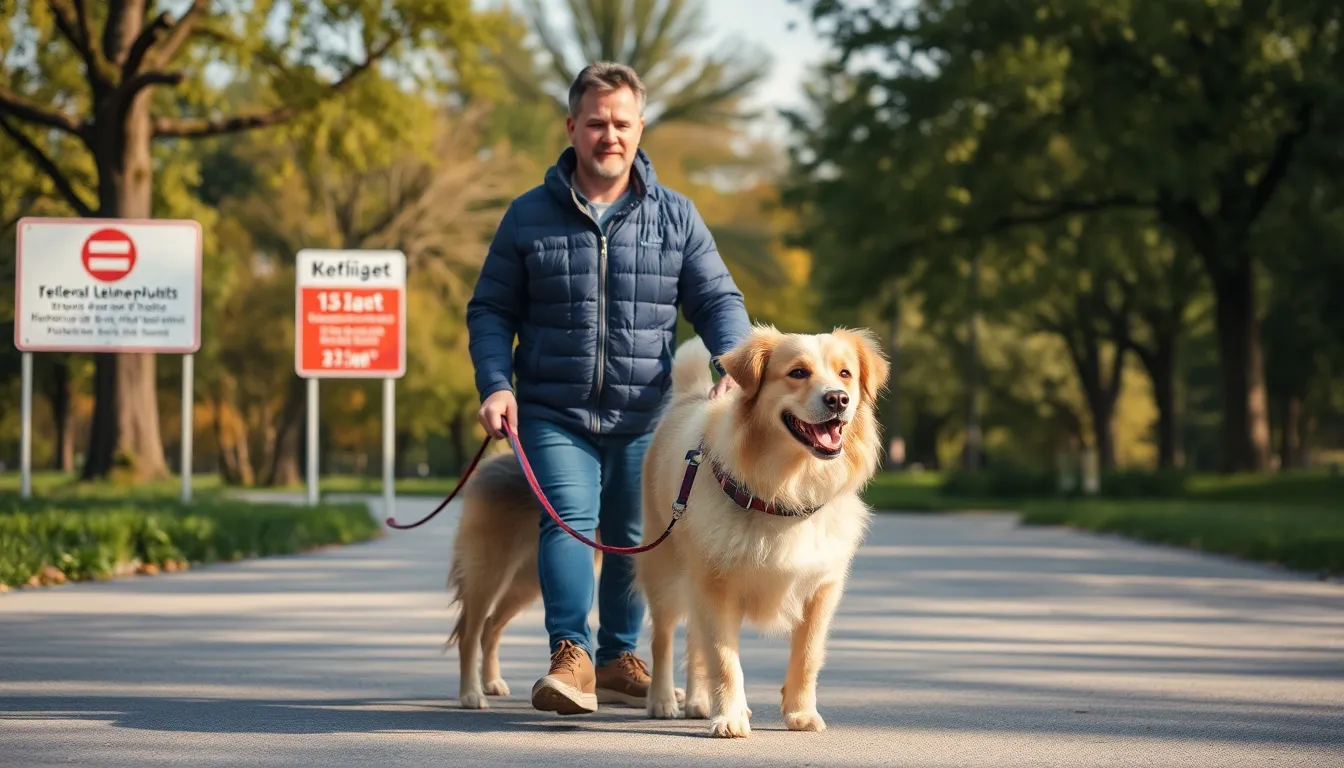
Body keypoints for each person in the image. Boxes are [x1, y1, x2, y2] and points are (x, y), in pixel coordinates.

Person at [465, 61, 752, 715]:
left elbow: (717, 298)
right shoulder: (527, 216)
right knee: (568, 520)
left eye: (622, 122)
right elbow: (491, 311)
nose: (609, 134)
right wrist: (495, 384)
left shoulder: (675, 217)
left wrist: (730, 362)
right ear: (572, 127)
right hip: (552, 408)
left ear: (641, 127)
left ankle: (620, 657)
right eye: (596, 122)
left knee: (630, 530)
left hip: (644, 413)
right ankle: (572, 655)